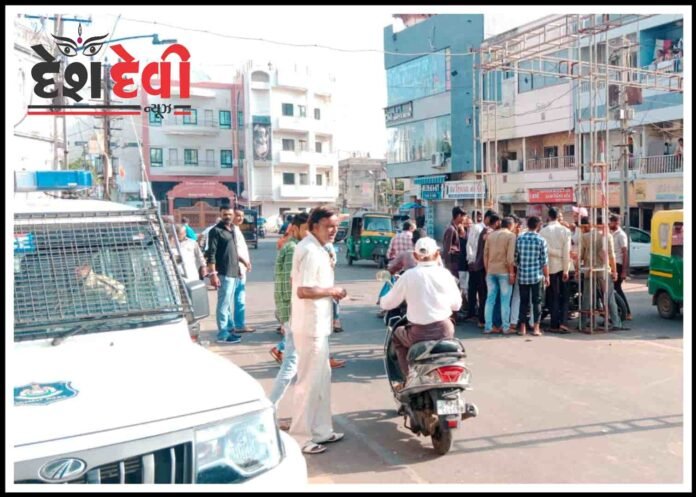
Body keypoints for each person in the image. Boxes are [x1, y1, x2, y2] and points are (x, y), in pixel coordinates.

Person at [289, 207, 347, 455]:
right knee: (309, 382)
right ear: (314, 226)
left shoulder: (319, 248)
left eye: (335, 226)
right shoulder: (310, 251)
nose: (333, 230)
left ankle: (321, 430)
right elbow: (304, 290)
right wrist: (332, 291)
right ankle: (301, 436)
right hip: (310, 326)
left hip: (318, 325)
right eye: (328, 226)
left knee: (322, 380)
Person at [380, 237, 462, 381]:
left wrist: (382, 300)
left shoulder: (409, 276)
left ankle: (408, 378)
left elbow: (387, 304)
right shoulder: (445, 274)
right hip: (445, 330)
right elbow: (457, 305)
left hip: (418, 334)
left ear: (415, 256)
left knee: (396, 335)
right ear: (437, 254)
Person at [269, 212, 310, 411]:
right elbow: (288, 286)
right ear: (295, 228)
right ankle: (270, 409)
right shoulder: (293, 248)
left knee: (297, 364)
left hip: (291, 311)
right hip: (293, 312)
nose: (310, 234)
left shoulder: (293, 246)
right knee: (291, 364)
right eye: (307, 229)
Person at [580, 216, 627, 331]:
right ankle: (616, 323)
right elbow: (611, 256)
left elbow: (581, 255)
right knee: (609, 297)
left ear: (595, 223)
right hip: (603, 271)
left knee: (587, 297)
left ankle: (583, 323)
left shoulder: (585, 236)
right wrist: (615, 271)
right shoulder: (607, 237)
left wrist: (578, 268)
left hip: (589, 270)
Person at [205, 205, 243, 345]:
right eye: (225, 214)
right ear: (220, 214)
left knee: (228, 303)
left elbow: (233, 251)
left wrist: (239, 267)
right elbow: (211, 254)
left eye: (230, 214)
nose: (228, 216)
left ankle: (230, 329)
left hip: (233, 271)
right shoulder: (216, 231)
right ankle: (222, 334)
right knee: (223, 304)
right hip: (223, 272)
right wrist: (213, 274)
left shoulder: (232, 229)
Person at [515, 216, 550, 337]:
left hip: (523, 275)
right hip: (536, 276)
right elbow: (544, 262)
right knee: (537, 302)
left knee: (523, 302)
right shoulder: (541, 240)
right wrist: (547, 276)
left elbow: (516, 258)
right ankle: (536, 328)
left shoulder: (520, 238)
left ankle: (522, 328)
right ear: (538, 226)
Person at [540, 207, 572, 333]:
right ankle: (563, 323)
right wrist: (566, 270)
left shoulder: (543, 231)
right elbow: (567, 252)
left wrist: (555, 253)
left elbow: (544, 250)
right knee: (565, 296)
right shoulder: (565, 231)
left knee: (553, 297)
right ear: (558, 216)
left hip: (549, 268)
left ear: (548, 216)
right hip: (563, 267)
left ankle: (554, 324)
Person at [483, 215, 517, 334]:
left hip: (491, 271)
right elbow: (510, 257)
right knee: (505, 301)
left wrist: (487, 270)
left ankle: (488, 327)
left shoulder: (490, 236)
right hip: (504, 271)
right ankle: (506, 327)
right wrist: (512, 273)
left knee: (490, 300)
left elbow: (485, 255)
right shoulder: (511, 236)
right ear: (511, 225)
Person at [231, 208, 255, 333]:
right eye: (238, 215)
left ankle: (235, 324)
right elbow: (234, 251)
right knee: (239, 297)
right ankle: (239, 325)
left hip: (241, 267)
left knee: (237, 297)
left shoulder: (236, 229)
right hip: (237, 268)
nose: (240, 218)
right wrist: (244, 263)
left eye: (242, 216)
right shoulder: (232, 230)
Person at [608, 214, 632, 321]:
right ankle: (621, 311)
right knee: (613, 289)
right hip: (611, 263)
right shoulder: (610, 233)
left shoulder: (621, 235)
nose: (610, 224)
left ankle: (627, 312)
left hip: (618, 264)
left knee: (617, 288)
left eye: (612, 222)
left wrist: (624, 271)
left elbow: (625, 253)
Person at [443, 207, 467, 279]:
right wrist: (448, 268)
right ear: (459, 216)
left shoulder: (456, 228)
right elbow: (447, 249)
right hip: (452, 265)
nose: (464, 219)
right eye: (464, 216)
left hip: (455, 264)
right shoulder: (451, 229)